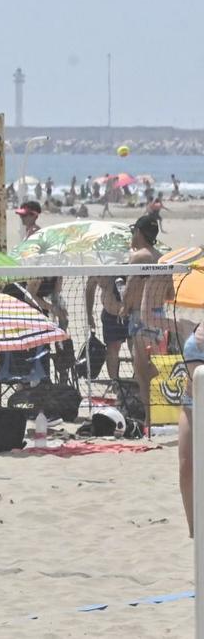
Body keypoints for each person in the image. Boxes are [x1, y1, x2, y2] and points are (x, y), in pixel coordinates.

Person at [124, 214, 174, 420]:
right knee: (155, 370)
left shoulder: (138, 257)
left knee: (143, 374)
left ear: (138, 232)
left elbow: (128, 292)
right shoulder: (162, 258)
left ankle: (149, 419)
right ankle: (159, 415)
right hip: (159, 318)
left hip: (140, 318)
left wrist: (124, 307)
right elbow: (170, 294)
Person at [178, 324, 204, 537]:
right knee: (186, 465)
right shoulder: (188, 323)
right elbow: (149, 315)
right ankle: (194, 533)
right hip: (191, 402)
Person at [86, 276, 129, 380]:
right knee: (112, 349)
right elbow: (90, 287)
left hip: (131, 314)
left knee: (136, 348)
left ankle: (138, 380)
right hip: (111, 315)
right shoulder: (101, 270)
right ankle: (114, 381)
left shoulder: (132, 265)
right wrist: (89, 314)